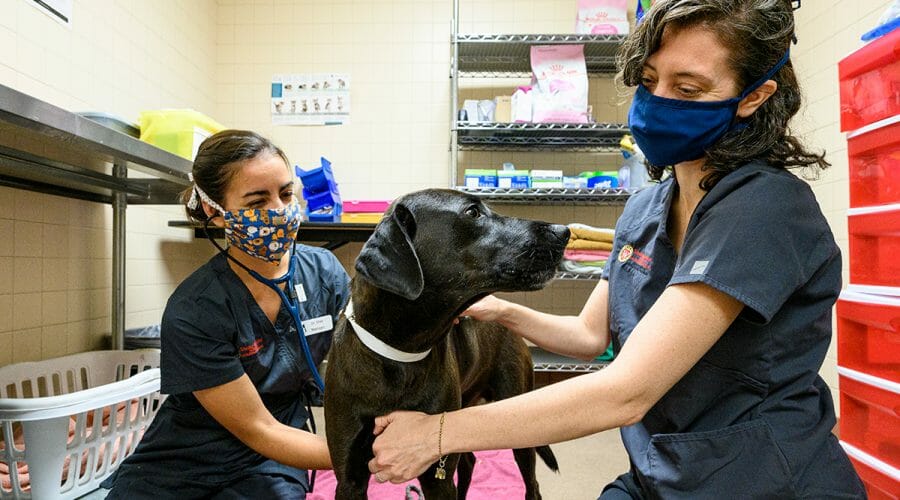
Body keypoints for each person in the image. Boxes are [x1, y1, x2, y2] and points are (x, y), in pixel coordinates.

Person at [367, 1, 867, 498]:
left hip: (762, 479)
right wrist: (499, 310)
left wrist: (438, 433)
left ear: (754, 97)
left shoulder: (765, 207)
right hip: (660, 474)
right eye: (649, 81)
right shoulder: (646, 207)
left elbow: (626, 392)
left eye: (687, 88)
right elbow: (589, 335)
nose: (657, 101)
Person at [103, 130, 350, 498]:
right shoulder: (195, 308)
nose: (279, 213)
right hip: (185, 457)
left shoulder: (325, 274)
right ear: (213, 213)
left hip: (277, 453)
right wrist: (361, 455)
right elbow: (256, 428)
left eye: (285, 194)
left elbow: (369, 347)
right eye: (256, 202)